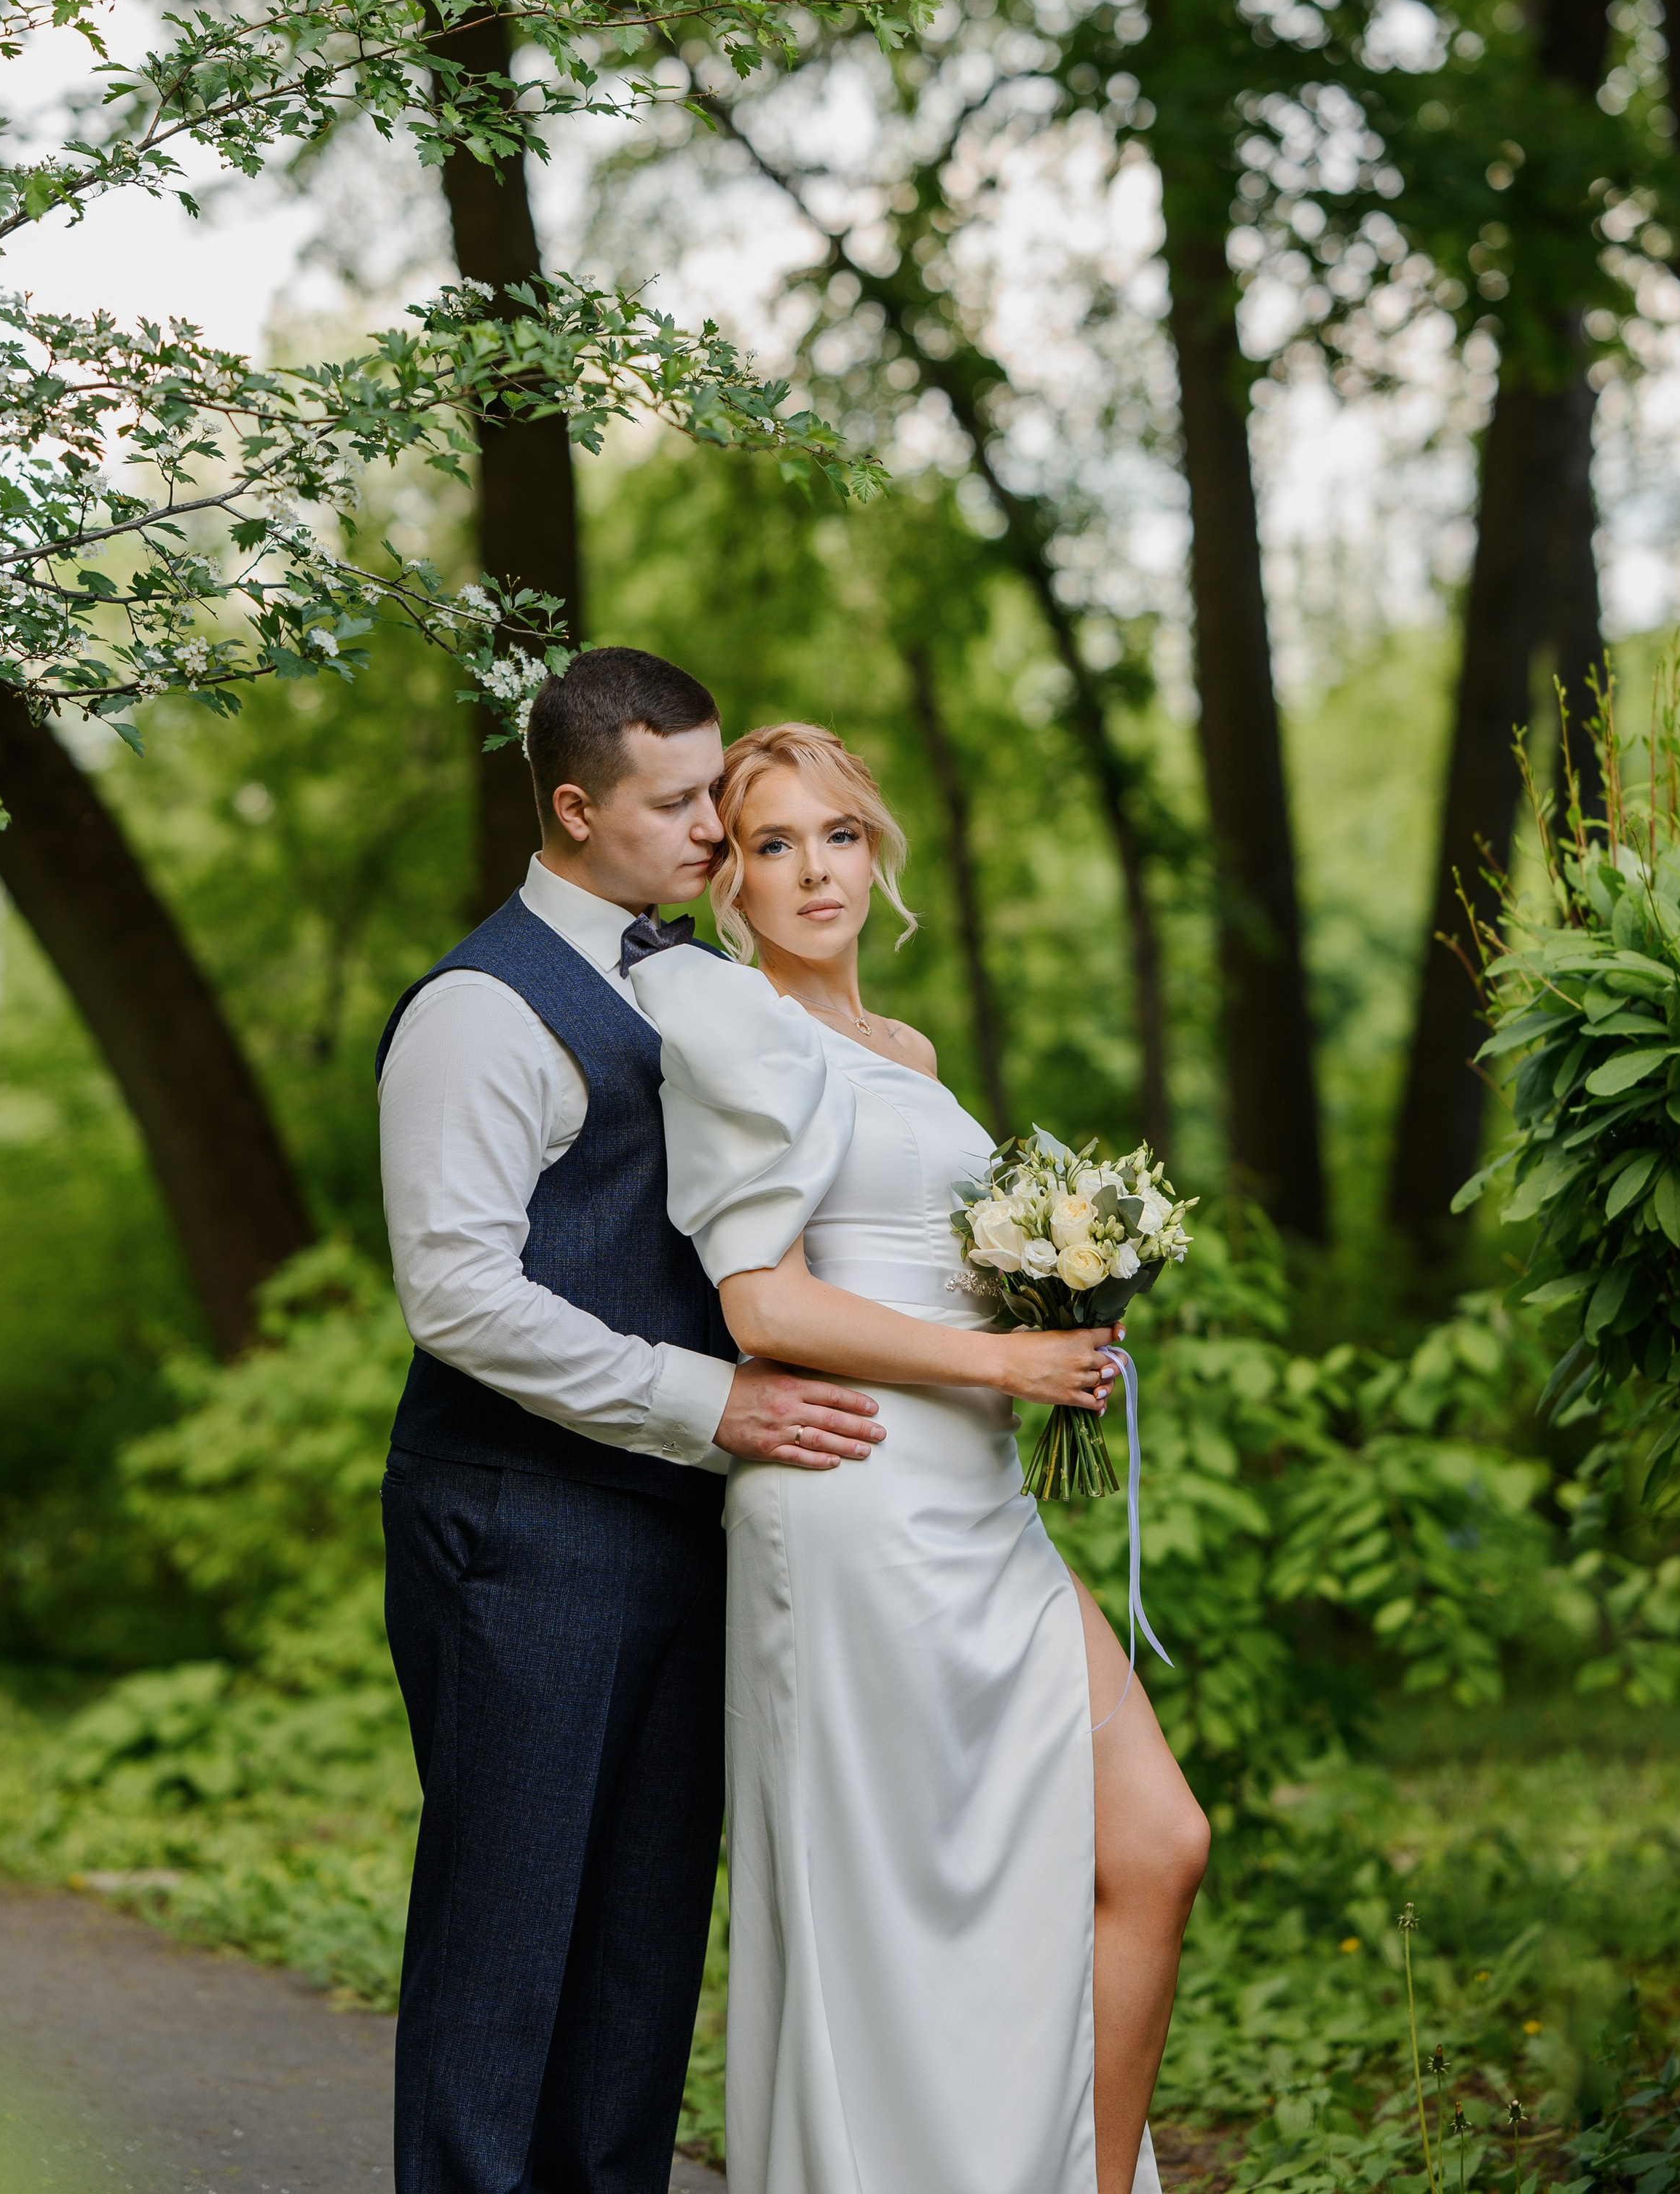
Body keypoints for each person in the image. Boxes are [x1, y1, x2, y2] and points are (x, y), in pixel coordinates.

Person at [631, 721, 1210, 2194]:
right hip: (853, 1500)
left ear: (873, 848)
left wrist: (1059, 1315)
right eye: (770, 844)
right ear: (730, 884)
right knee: (899, 1915)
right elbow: (761, 1301)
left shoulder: (906, 1051)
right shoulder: (730, 1028)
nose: (810, 867)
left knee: (1154, 1843)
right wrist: (997, 1360)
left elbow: (917, 1260)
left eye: (834, 833)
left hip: (982, 1502)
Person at [375, 652, 888, 2194]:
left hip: (677, 1522)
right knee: (507, 1939)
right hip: (518, 1524)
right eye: (678, 804)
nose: (715, 833)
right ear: (575, 805)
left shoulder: (685, 981)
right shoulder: (480, 1007)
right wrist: (710, 1398)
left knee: (641, 1945)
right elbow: (456, 1295)